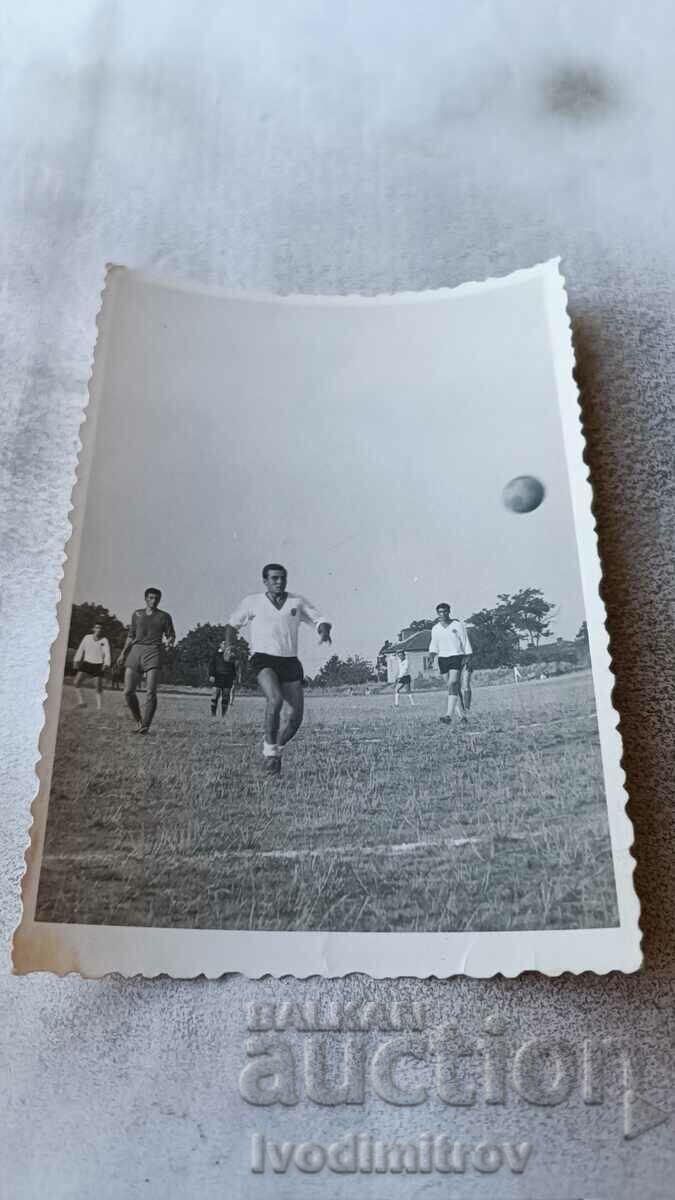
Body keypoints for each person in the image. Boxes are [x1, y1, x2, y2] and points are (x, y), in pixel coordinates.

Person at [226, 563, 331, 775]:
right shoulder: (252, 602)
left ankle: (277, 750)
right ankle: (269, 750)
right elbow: (231, 625)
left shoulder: (296, 602)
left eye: (282, 578)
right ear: (265, 581)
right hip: (263, 659)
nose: (279, 582)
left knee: (295, 718)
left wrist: (323, 631)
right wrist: (228, 645)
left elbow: (320, 619)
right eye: (274, 578)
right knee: (275, 699)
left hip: (290, 661)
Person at [117, 588, 176, 734]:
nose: (153, 601)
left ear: (159, 600)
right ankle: (138, 720)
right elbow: (130, 636)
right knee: (128, 691)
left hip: (153, 651)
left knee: (151, 692)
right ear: (145, 598)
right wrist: (123, 653)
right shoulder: (137, 614)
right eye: (150, 598)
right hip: (135, 651)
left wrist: (169, 642)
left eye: (156, 598)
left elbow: (171, 635)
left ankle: (145, 725)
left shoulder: (164, 616)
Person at [427, 602, 473, 726]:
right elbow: (433, 644)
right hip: (442, 658)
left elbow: (465, 641)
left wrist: (468, 656)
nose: (442, 614)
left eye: (444, 611)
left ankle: (448, 715)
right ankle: (463, 716)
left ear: (449, 612)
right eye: (440, 612)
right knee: (452, 688)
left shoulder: (458, 625)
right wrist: (432, 655)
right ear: (437, 614)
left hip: (456, 656)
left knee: (453, 683)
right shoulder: (435, 628)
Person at [72, 622, 111, 710]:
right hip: (86, 663)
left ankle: (99, 707)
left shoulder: (104, 640)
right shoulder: (87, 637)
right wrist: (76, 660)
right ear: (93, 629)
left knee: (98, 687)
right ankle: (82, 702)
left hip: (98, 665)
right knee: (76, 682)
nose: (99, 629)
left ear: (102, 630)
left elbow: (107, 653)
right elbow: (80, 649)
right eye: (97, 627)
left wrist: (106, 664)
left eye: (101, 628)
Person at [208, 641, 238, 718]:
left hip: (228, 678)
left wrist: (234, 677)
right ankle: (213, 714)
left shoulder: (230, 655)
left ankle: (223, 715)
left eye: (226, 644)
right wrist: (212, 675)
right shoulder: (215, 655)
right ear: (220, 645)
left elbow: (233, 668)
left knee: (225, 697)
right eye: (223, 644)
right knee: (215, 696)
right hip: (218, 677)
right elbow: (211, 665)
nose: (225, 645)